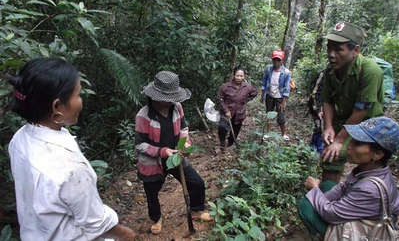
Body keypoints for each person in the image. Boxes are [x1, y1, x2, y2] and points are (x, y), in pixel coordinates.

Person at [7, 58, 136, 240]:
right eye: (78, 95)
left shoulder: (20, 139)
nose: (81, 101)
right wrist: (126, 234)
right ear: (57, 106)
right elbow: (96, 223)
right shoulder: (70, 168)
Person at [135, 71, 212, 235]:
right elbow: (140, 144)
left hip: (176, 156)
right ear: (156, 96)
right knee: (152, 194)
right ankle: (156, 218)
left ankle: (196, 210)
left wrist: (185, 143)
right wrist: (162, 151)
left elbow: (184, 128)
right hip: (153, 162)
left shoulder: (177, 108)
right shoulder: (143, 116)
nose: (171, 101)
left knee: (197, 183)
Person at [298, 116, 399, 240]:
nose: (349, 146)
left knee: (306, 207)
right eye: (351, 140)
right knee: (327, 185)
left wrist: (314, 190)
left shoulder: (369, 189)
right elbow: (343, 187)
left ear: (377, 154)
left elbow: (331, 214)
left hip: (367, 233)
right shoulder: (371, 169)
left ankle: (325, 237)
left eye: (357, 143)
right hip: (363, 218)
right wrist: (320, 197)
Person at [320, 21, 384, 183]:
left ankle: (366, 195)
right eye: (329, 48)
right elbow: (327, 100)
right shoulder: (330, 71)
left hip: (367, 125)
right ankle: (327, 199)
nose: (331, 54)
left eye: (338, 49)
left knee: (366, 162)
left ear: (355, 50)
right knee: (329, 156)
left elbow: (361, 110)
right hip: (341, 120)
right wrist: (328, 126)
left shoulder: (370, 71)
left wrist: (340, 140)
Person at [216, 66, 257, 152]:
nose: (239, 78)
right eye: (237, 75)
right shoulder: (225, 86)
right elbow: (220, 98)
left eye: (241, 76)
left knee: (235, 131)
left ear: (244, 76)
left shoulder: (247, 87)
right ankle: (222, 143)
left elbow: (254, 93)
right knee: (222, 127)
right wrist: (226, 110)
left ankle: (230, 144)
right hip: (227, 112)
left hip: (239, 113)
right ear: (233, 75)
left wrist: (246, 99)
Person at [260, 49, 291, 140]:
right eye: (274, 59)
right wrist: (262, 95)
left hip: (279, 97)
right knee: (269, 114)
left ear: (281, 60)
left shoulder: (286, 73)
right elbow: (264, 83)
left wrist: (284, 102)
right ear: (272, 60)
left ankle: (283, 134)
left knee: (281, 117)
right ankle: (268, 133)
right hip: (269, 95)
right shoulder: (268, 69)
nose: (276, 62)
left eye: (278, 60)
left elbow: (287, 88)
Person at [308, 70, 324, 154]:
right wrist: (318, 109)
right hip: (318, 107)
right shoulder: (324, 74)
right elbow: (315, 93)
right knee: (320, 128)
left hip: (328, 107)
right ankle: (316, 152)